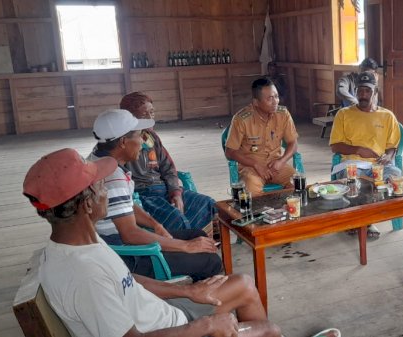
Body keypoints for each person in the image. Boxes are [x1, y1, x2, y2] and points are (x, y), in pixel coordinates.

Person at [22, 148, 281, 337]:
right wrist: (207, 325)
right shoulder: (83, 275)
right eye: (101, 186)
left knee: (244, 284)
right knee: (269, 330)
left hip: (160, 312)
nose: (106, 193)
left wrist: (188, 291)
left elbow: (126, 280)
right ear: (87, 204)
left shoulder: (80, 242)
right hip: (164, 329)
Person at [89, 109, 222, 281]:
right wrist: (185, 246)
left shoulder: (98, 158)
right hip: (127, 257)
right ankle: (198, 300)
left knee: (197, 235)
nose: (143, 141)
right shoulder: (113, 178)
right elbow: (130, 235)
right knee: (210, 261)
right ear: (123, 142)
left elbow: (125, 206)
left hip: (117, 245)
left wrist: (155, 224)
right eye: (139, 136)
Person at [119, 92, 217, 234]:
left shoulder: (151, 137)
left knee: (208, 203)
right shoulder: (123, 142)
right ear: (129, 117)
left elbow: (168, 168)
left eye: (152, 112)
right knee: (176, 219)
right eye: (144, 114)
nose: (150, 117)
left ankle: (204, 242)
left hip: (164, 190)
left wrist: (175, 193)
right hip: (143, 196)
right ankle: (190, 246)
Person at [329, 71, 401, 239]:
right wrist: (358, 149)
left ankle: (367, 219)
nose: (363, 95)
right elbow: (335, 146)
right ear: (355, 92)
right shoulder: (344, 114)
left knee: (395, 177)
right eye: (360, 90)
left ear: (375, 92)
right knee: (355, 183)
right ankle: (366, 222)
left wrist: (389, 156)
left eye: (367, 91)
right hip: (352, 164)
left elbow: (392, 146)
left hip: (379, 165)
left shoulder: (387, 116)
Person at [225, 77, 299, 195]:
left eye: (276, 96)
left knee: (298, 183)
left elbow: (293, 143)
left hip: (276, 166)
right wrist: (256, 165)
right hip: (251, 168)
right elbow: (230, 152)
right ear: (256, 102)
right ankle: (261, 213)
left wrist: (281, 161)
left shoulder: (283, 114)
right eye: (270, 98)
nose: (275, 101)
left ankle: (289, 212)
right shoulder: (242, 119)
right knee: (251, 191)